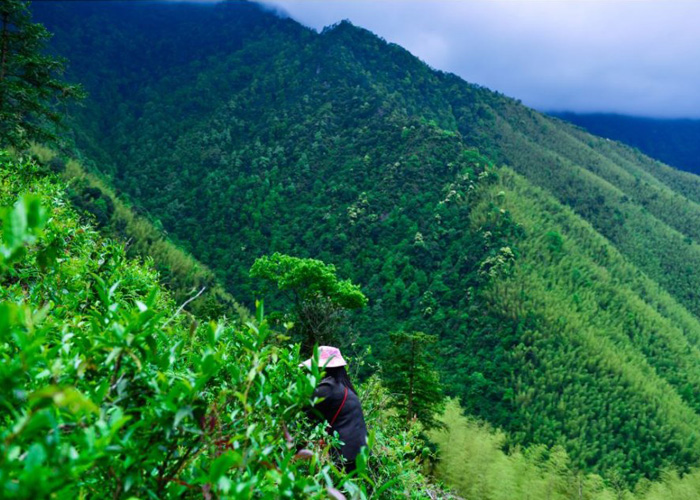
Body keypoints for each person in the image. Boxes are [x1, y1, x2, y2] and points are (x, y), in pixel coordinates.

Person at [302, 346, 368, 472]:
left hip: (344, 455)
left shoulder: (327, 388)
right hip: (360, 452)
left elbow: (304, 414)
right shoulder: (345, 388)